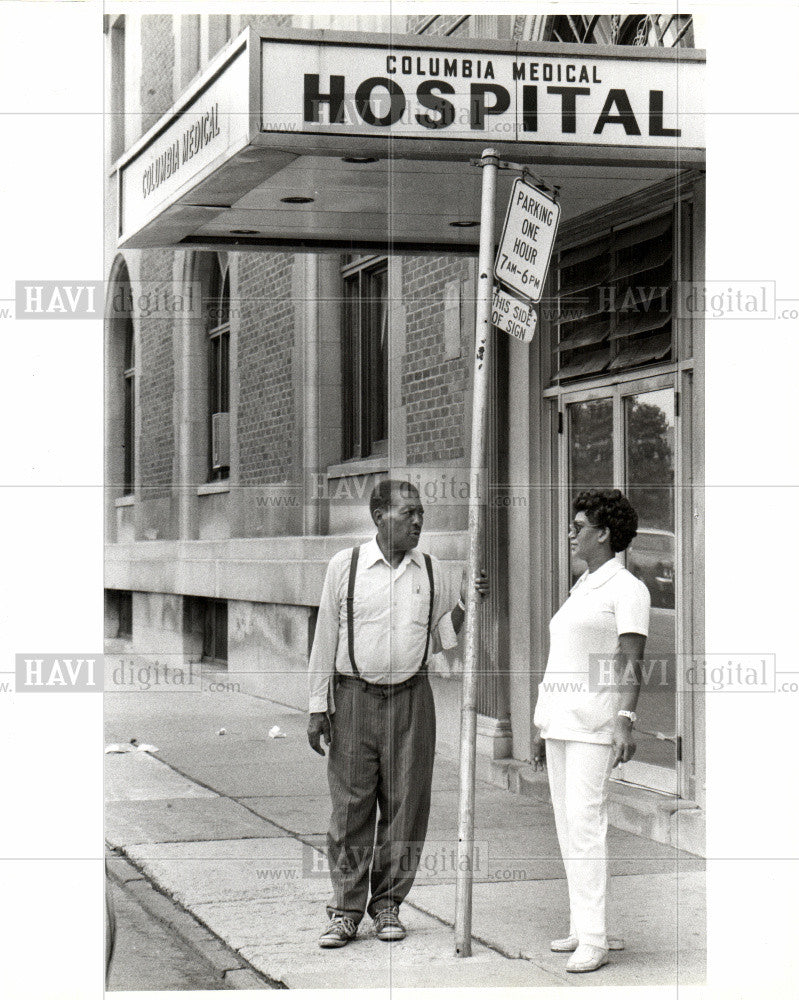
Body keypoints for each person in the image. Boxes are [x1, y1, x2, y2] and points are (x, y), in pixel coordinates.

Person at [307, 479, 487, 948]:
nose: (417, 520)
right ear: (378, 516)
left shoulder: (430, 570)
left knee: (407, 809)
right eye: (407, 512)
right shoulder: (343, 567)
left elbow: (442, 636)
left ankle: (388, 905)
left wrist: (467, 604)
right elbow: (325, 637)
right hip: (353, 699)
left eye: (421, 512)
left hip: (411, 699)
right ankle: (345, 911)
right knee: (351, 811)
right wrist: (316, 707)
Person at [532, 488, 650, 974]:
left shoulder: (628, 589)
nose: (570, 533)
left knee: (586, 829)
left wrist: (625, 720)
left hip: (595, 726)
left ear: (604, 535)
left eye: (578, 526)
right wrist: (543, 727)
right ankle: (585, 926)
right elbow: (566, 659)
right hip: (562, 722)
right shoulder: (583, 586)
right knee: (568, 829)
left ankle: (596, 940)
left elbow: (631, 662)